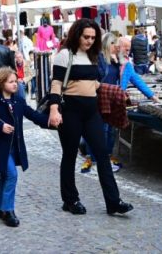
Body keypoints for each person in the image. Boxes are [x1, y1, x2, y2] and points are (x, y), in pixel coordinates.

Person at [47, 18, 133, 216]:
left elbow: (93, 82)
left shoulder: (93, 56)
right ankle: (70, 200)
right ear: (77, 35)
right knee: (69, 155)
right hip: (70, 112)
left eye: (93, 38)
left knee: (102, 154)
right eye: (86, 37)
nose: (90, 41)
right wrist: (54, 109)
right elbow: (57, 84)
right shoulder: (64, 55)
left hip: (91, 112)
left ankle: (113, 201)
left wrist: (111, 91)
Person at [0, 66, 51, 227]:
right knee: (12, 175)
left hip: (15, 147)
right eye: (11, 82)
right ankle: (8, 210)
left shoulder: (18, 100)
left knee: (5, 176)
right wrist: (0, 126)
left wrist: (49, 121)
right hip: (0, 147)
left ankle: (0, 208)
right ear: (1, 83)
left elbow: (32, 115)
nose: (15, 84)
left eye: (16, 81)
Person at [82, 34, 159, 174]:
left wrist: (152, 96)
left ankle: (105, 158)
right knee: (99, 131)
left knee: (110, 132)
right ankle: (94, 160)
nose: (125, 51)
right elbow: (94, 78)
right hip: (99, 100)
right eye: (124, 47)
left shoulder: (124, 64)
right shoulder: (100, 59)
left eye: (128, 49)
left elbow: (136, 79)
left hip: (114, 102)